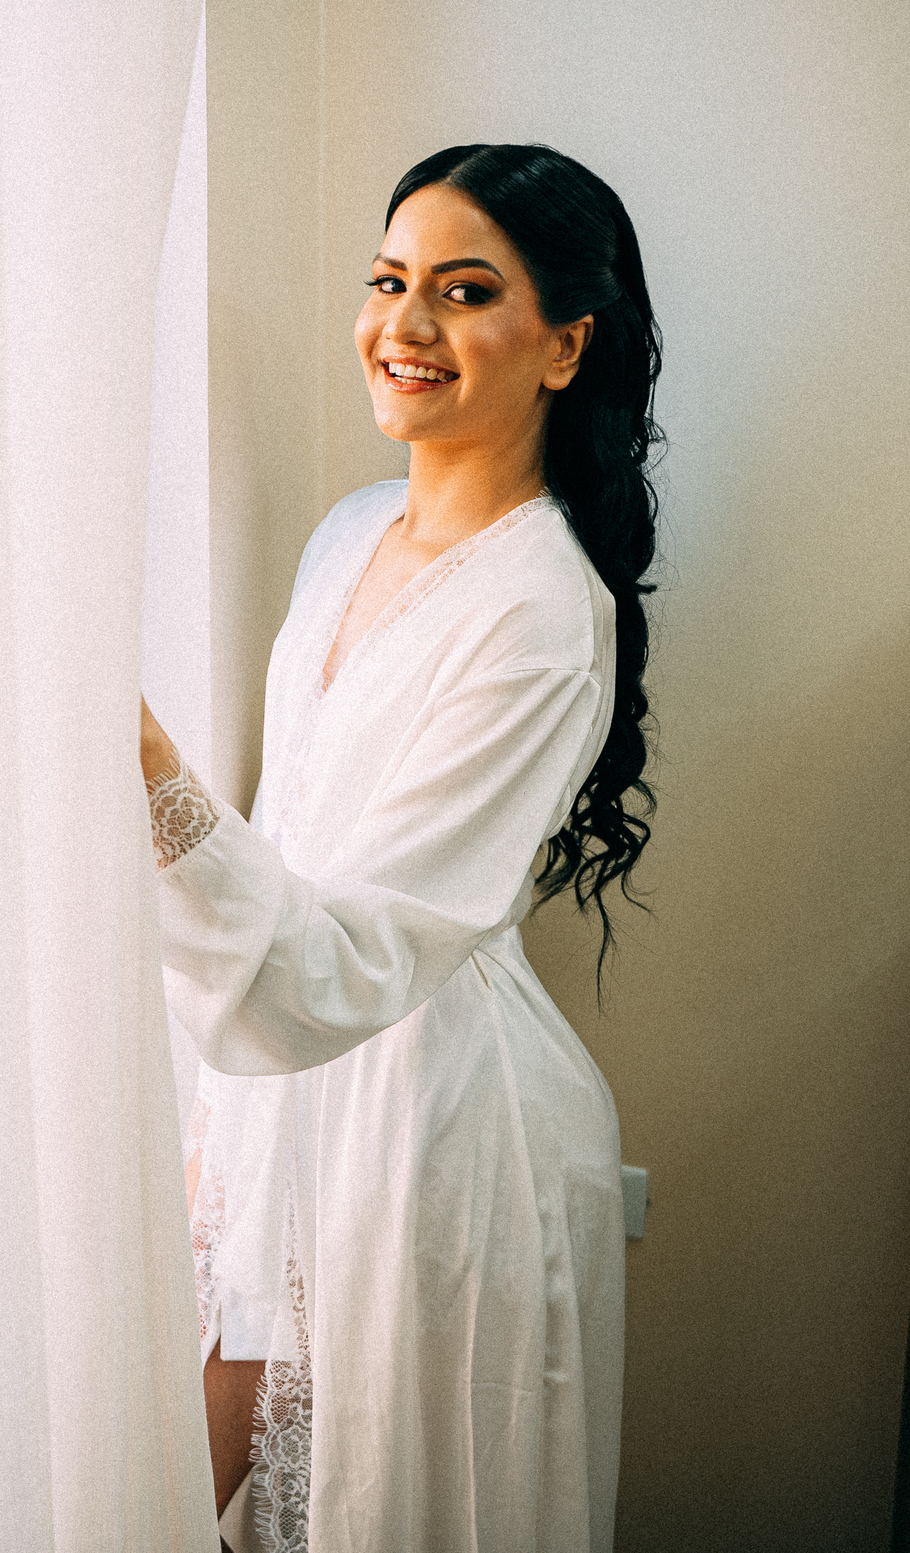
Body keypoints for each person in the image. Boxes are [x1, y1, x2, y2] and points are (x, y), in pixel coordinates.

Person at [140, 143, 662, 1553]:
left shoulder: (543, 614)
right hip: (276, 1074)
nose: (405, 324)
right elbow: (289, 845)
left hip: (432, 1127)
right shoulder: (348, 531)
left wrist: (141, 766)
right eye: (387, 281)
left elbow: (361, 950)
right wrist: (220, 1129)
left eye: (465, 290)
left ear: (566, 346)